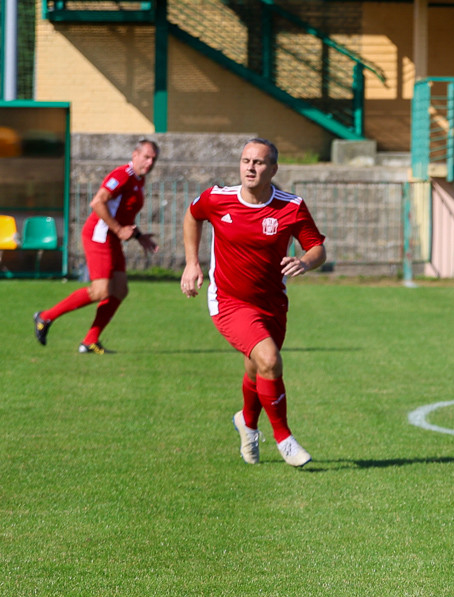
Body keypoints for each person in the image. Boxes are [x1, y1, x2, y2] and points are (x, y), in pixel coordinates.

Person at [179, 138, 326, 468]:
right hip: (229, 301)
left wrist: (304, 262)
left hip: (273, 303)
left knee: (257, 366)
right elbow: (192, 216)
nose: (250, 167)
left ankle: (246, 422)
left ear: (273, 169)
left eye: (258, 162)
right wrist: (192, 262)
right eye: (246, 160)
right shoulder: (218, 199)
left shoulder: (291, 207)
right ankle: (284, 438)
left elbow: (317, 248)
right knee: (270, 359)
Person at [34, 138, 160, 352]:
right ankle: (45, 317)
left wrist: (138, 235)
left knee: (119, 290)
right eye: (146, 157)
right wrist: (120, 230)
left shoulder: (140, 180)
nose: (149, 163)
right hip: (99, 235)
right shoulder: (123, 175)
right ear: (135, 155)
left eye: (153, 159)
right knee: (101, 291)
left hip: (112, 238)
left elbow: (122, 212)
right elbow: (97, 202)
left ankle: (90, 341)